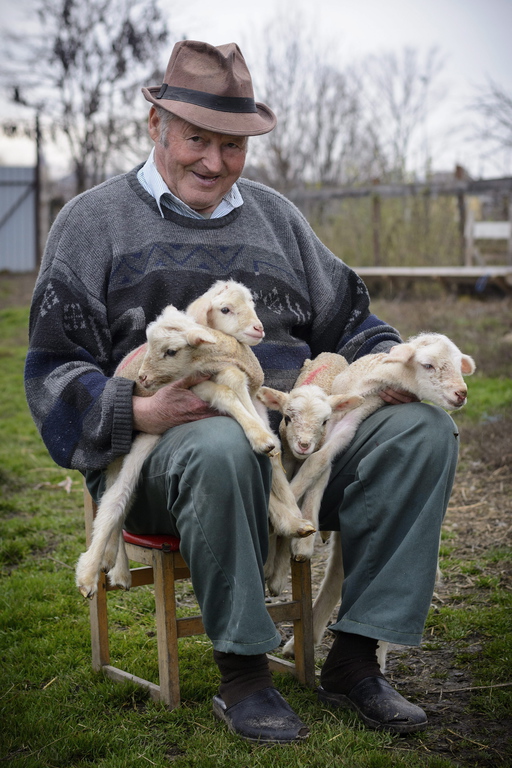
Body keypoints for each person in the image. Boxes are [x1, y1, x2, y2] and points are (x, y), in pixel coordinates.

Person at [25, 40, 459, 744]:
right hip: (170, 455)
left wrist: (389, 368)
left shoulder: (277, 218)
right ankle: (245, 676)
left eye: (232, 146)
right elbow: (50, 370)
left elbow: (353, 321)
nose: (214, 162)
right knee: (223, 439)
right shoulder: (91, 224)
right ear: (156, 128)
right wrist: (138, 409)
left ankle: (356, 659)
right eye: (198, 139)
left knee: (422, 432)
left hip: (296, 437)